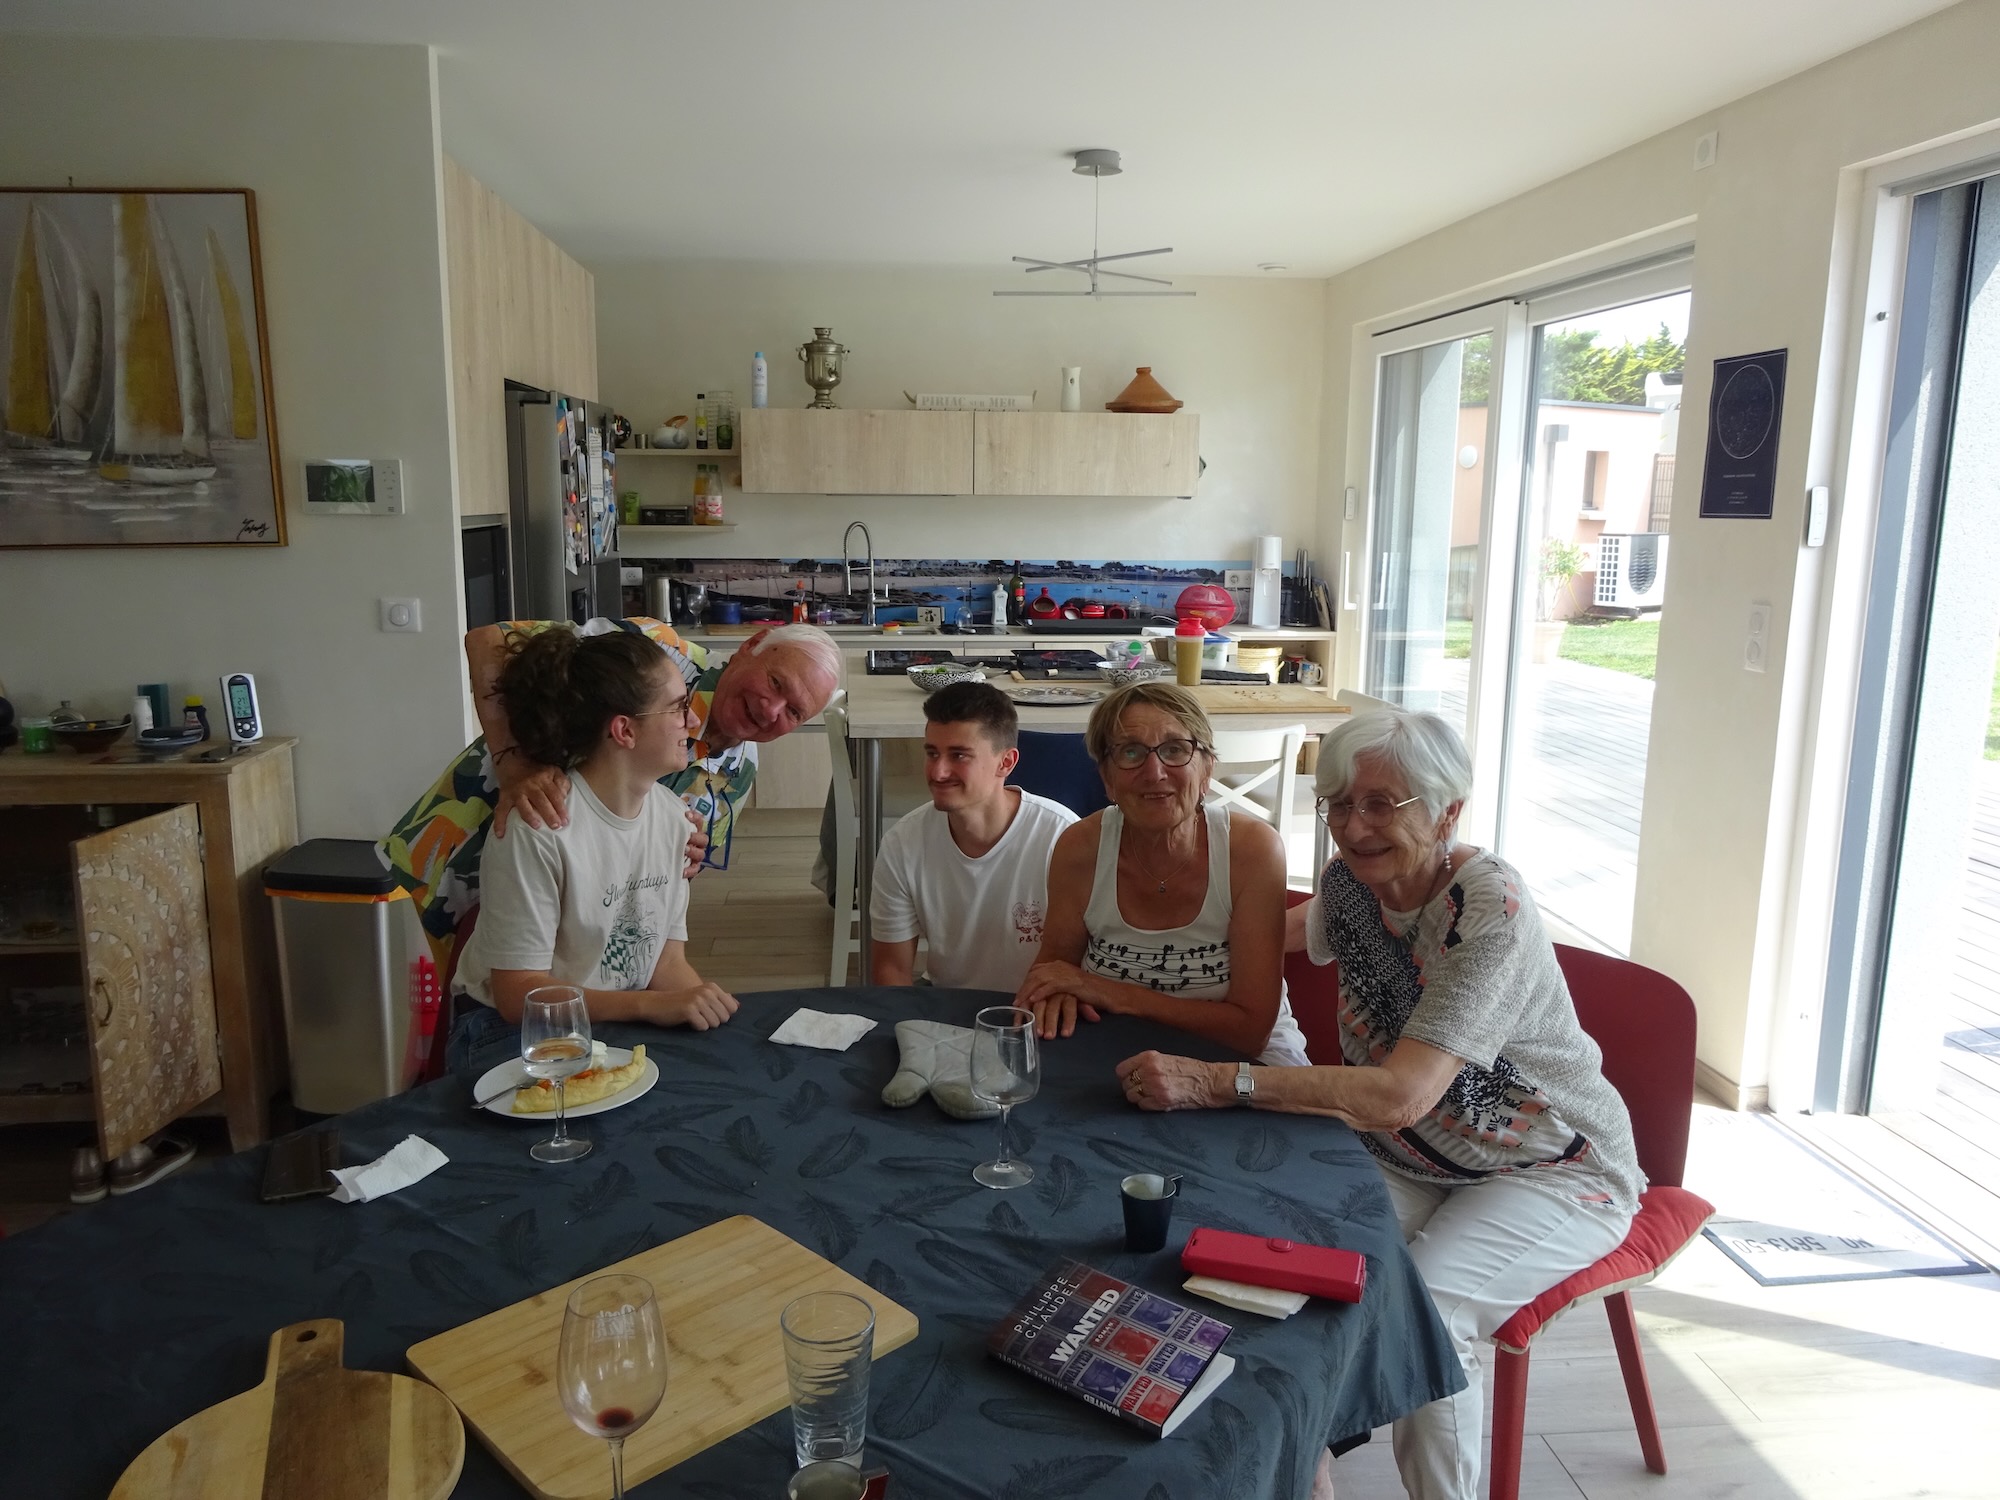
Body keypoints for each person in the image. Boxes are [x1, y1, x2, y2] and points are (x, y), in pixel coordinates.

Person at [1114, 705, 1643, 1500]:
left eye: (1381, 804)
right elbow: (1268, 940)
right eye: (1338, 804)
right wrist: (1134, 962)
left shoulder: (1488, 909)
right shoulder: (1352, 885)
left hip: (1553, 1168)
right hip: (1411, 1155)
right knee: (1266, 1252)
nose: (1353, 826)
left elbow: (1399, 1094)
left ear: (1448, 812)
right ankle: (1300, 1470)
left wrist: (1214, 1079)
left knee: (1425, 1309)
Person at [382, 616, 841, 984]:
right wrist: (514, 766)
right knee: (407, 1017)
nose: (771, 710)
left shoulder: (736, 774)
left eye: (794, 712)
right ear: (752, 646)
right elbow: (490, 640)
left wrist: (685, 857)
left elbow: (654, 887)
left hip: (552, 931)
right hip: (457, 846)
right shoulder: (656, 652)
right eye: (776, 683)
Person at [445, 626, 741, 1071]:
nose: (694, 722)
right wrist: (648, 1007)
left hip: (611, 1019)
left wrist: (709, 1023)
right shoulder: (539, 827)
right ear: (624, 730)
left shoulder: (677, 821)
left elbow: (665, 964)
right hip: (509, 1031)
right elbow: (516, 994)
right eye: (679, 708)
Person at [1016, 682, 1310, 1066]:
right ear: (1106, 778)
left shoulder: (1252, 851)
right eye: (1131, 752)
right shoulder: (1080, 848)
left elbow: (1250, 1033)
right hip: (1115, 1049)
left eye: (1174, 750)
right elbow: (1054, 973)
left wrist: (1109, 992)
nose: (1154, 772)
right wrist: (1056, 998)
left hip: (1242, 1066)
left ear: (1206, 770)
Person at [869, 680, 1077, 991]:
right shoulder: (902, 844)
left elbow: (1081, 964)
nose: (938, 772)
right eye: (932, 753)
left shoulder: (1063, 837)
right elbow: (891, 970)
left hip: (1040, 1006)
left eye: (959, 756)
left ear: (1006, 762)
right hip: (943, 1003)